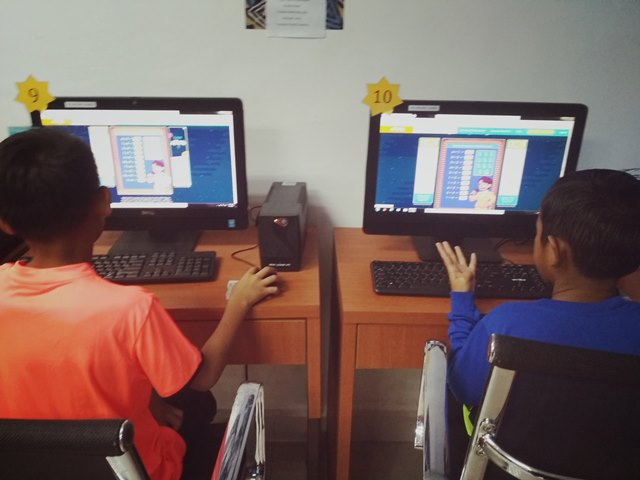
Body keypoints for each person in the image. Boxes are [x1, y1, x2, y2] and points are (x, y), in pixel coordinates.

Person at [0, 128, 279, 480]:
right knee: (198, 399)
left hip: (27, 467)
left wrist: (150, 402)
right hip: (136, 470)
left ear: (5, 223)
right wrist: (239, 302)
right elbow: (203, 377)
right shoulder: (131, 310)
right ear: (104, 201)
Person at [436, 168, 640, 474]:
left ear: (553, 250)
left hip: (510, 469)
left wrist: (463, 302)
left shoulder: (507, 324)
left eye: (536, 234)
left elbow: (463, 387)